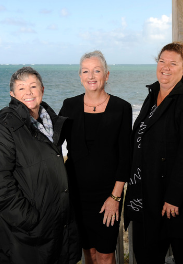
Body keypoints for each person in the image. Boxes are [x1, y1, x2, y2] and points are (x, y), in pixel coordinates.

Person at [124, 42, 183, 264]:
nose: (165, 67)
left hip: (178, 204)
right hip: (147, 198)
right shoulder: (152, 94)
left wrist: (173, 198)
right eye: (162, 61)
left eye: (173, 63)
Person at [0, 67, 81, 264]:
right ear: (12, 94)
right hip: (26, 237)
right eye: (21, 88)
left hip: (57, 229)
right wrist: (31, 222)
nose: (28, 92)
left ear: (42, 90)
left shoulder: (50, 124)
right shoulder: (1, 128)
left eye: (33, 86)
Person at [59, 50, 132, 264]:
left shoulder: (121, 108)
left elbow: (125, 157)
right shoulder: (69, 105)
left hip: (108, 195)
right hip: (76, 194)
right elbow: (52, 145)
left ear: (106, 75)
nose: (91, 76)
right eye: (86, 71)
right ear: (80, 76)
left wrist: (115, 198)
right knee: (88, 252)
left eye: (97, 70)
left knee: (106, 253)